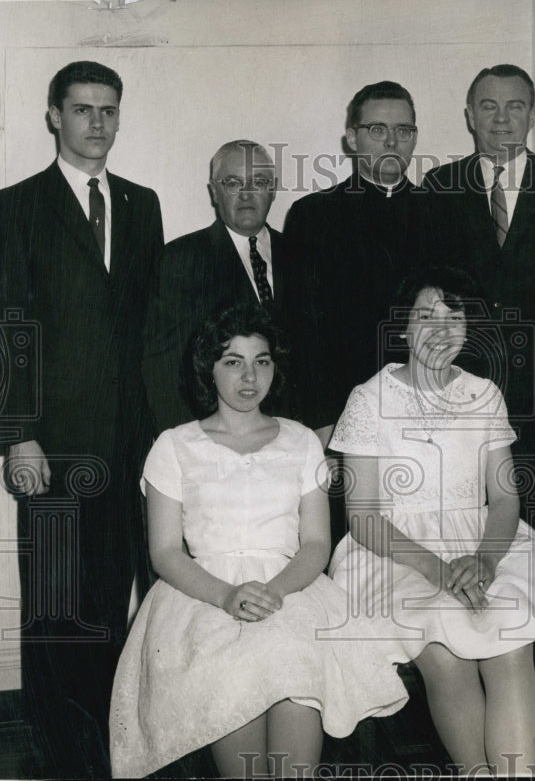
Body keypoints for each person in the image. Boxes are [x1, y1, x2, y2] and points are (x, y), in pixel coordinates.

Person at [109, 303, 408, 779]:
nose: (250, 376)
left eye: (261, 361)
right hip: (203, 597)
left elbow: (314, 544)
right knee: (235, 690)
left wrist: (278, 591)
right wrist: (226, 595)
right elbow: (164, 552)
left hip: (291, 590)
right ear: (209, 369)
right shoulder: (174, 444)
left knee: (295, 678)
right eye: (233, 361)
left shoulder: (301, 441)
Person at [0, 60, 164, 777]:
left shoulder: (143, 205)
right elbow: (0, 324)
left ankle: (116, 747)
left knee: (117, 601)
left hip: (131, 448)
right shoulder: (15, 205)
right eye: (82, 110)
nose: (97, 123)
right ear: (55, 116)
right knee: (56, 610)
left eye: (108, 110)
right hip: (50, 449)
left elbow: (147, 327)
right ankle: (61, 757)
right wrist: (18, 434)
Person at [326, 266, 535, 775]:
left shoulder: (484, 393)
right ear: (403, 327)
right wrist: (438, 568)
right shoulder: (368, 399)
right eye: (426, 316)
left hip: (486, 542)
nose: (442, 329)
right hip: (393, 551)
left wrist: (486, 562)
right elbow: (362, 517)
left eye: (455, 316)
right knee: (444, 646)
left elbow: (505, 500)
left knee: (511, 638)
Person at [422, 64, 535, 547]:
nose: (502, 119)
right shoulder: (437, 188)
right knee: (460, 533)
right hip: (459, 401)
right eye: (489, 106)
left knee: (534, 539)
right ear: (469, 116)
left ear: (533, 114)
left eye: (515, 106)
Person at [282, 80, 429, 443]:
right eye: (377, 129)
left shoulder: (443, 213)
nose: (392, 142)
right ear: (352, 138)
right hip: (343, 412)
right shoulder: (313, 215)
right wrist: (321, 421)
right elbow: (300, 329)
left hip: (428, 409)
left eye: (403, 130)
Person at [143, 140, 296, 435]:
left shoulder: (303, 256)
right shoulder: (181, 259)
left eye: (259, 182)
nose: (247, 194)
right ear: (214, 191)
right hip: (216, 438)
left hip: (292, 436)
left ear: (274, 188)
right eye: (233, 182)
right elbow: (163, 368)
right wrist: (190, 443)